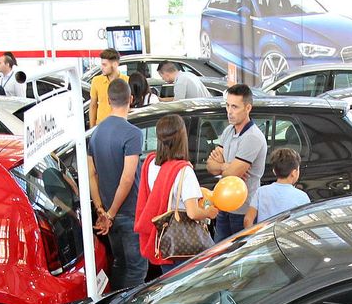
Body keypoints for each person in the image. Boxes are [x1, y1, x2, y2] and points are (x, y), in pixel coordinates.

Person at [133, 113, 216, 273]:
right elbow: (192, 212)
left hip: (165, 240)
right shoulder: (183, 170)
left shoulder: (150, 163)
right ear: (181, 138)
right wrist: (209, 212)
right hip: (185, 244)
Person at [88, 78, 147, 290]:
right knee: (137, 268)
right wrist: (111, 213)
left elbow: (91, 174)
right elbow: (128, 178)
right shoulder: (132, 133)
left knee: (120, 263)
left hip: (108, 216)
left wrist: (100, 209)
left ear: (108, 100)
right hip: (128, 213)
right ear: (131, 99)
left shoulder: (96, 132)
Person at [205, 84, 266, 242]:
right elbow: (210, 166)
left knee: (238, 257)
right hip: (223, 205)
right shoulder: (228, 131)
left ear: (248, 108)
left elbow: (232, 174)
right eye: (227, 105)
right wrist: (225, 166)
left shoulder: (252, 137)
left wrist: (225, 168)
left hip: (242, 210)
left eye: (235, 107)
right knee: (219, 255)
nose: (229, 111)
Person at [244, 148, 308, 227]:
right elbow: (306, 223)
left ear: (274, 171)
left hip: (264, 237)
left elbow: (248, 219)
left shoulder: (261, 191)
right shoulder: (302, 196)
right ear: (294, 173)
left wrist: (253, 238)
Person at [89, 49, 121, 127]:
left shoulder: (126, 81)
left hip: (119, 127)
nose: (102, 68)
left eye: (104, 65)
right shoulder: (96, 81)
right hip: (101, 126)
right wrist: (92, 129)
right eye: (102, 64)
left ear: (115, 64)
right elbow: (93, 106)